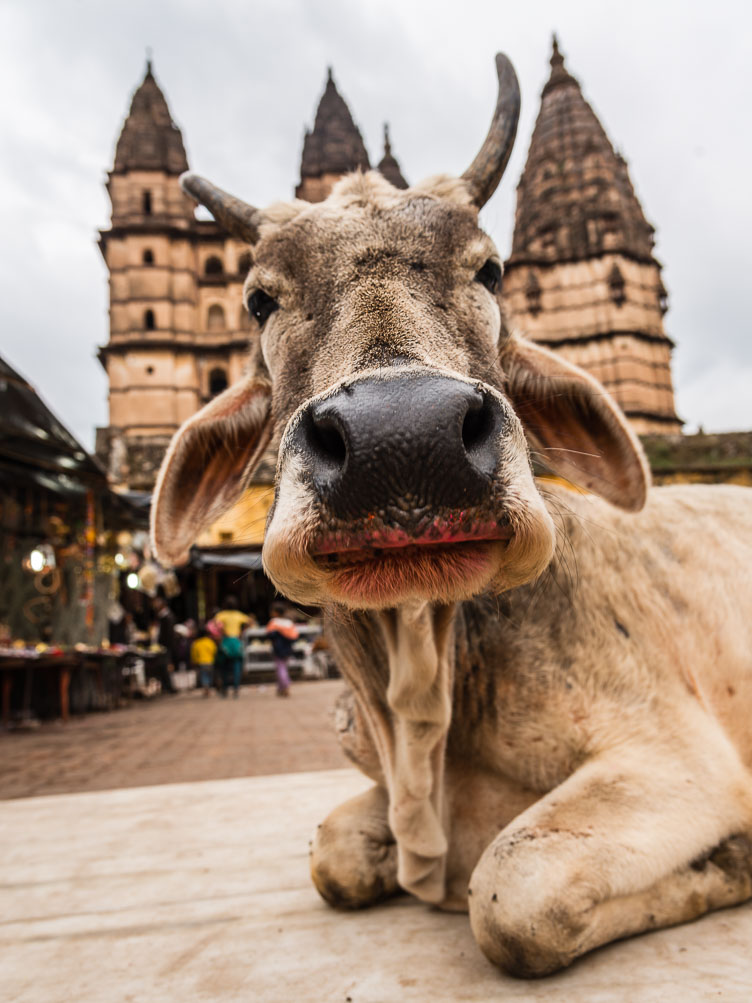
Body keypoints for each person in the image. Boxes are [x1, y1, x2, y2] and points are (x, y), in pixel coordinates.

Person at [214, 597, 250, 698]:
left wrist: (222, 632)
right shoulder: (239, 615)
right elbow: (250, 621)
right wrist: (241, 632)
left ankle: (225, 688)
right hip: (237, 642)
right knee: (236, 666)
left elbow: (214, 625)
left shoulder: (221, 615)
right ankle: (236, 688)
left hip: (225, 642)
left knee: (224, 666)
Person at [265, 603, 299, 697]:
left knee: (280, 668)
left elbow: (269, 635)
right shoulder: (289, 623)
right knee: (283, 667)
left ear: (276, 613)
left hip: (278, 649)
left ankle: (285, 685)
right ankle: (281, 689)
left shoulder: (274, 622)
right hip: (288, 649)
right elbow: (294, 637)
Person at [190, 627, 217, 697]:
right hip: (210, 661)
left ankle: (206, 687)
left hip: (201, 662)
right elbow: (214, 651)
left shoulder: (197, 643)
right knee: (210, 675)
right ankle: (208, 687)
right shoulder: (210, 642)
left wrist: (194, 661)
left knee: (204, 675)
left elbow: (194, 653)